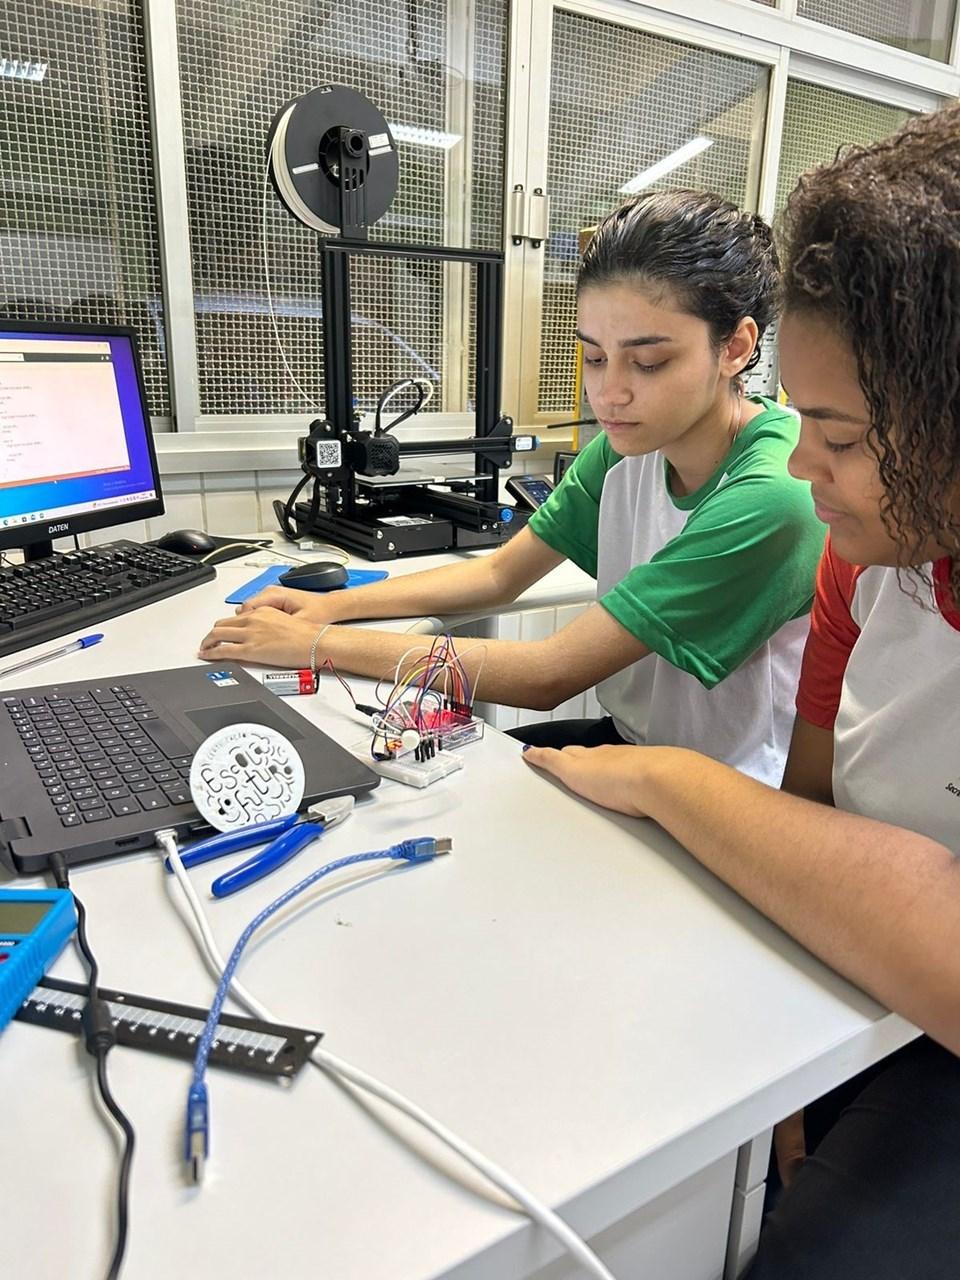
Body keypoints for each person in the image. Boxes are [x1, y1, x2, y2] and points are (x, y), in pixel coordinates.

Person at [524, 105, 960, 1278]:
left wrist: (667, 777)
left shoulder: (773, 498)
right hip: (875, 982)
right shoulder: (866, 563)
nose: (803, 464)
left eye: (842, 435)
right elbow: (816, 812)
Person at [199, 189, 825, 784]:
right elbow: (499, 575)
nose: (608, 393)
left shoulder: (775, 491)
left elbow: (547, 675)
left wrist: (317, 644)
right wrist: (332, 606)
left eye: (649, 361)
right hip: (633, 744)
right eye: (596, 357)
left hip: (724, 790)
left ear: (736, 347)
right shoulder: (625, 446)